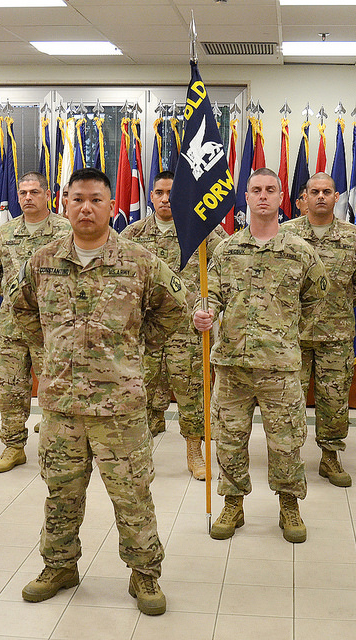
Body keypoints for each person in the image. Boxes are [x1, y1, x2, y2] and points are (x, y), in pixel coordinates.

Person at [10, 168, 188, 616]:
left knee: (132, 494)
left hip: (119, 408)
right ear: (65, 204)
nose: (85, 208)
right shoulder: (43, 260)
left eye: (95, 200)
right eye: (77, 200)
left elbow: (175, 308)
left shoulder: (139, 260)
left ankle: (144, 573)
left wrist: (134, 348)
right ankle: (59, 565)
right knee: (61, 493)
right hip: (62, 406)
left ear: (112, 206)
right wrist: (52, 351)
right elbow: (22, 310)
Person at [193, 167, 328, 544]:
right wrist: (202, 314)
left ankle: (289, 504)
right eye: (256, 190)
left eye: (271, 189)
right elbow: (211, 295)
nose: (263, 196)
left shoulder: (300, 252)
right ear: (246, 198)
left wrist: (286, 333)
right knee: (230, 438)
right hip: (232, 366)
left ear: (281, 197)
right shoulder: (226, 249)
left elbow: (317, 297)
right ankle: (232, 503)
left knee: (285, 441)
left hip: (280, 369)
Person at [121, 170, 226, 479]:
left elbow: (228, 263)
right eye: (159, 193)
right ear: (151, 196)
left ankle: (194, 452)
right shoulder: (133, 234)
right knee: (138, 391)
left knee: (192, 392)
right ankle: (136, 453)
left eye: (171, 192)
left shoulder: (202, 230)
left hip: (187, 329)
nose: (165, 199)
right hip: (145, 331)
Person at [282, 172, 356, 486]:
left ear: (337, 197)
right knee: (289, 397)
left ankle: (330, 456)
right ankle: (288, 453)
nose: (321, 196)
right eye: (314, 191)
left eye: (327, 191)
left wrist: (338, 303)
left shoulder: (354, 237)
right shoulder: (286, 235)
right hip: (292, 334)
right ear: (304, 197)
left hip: (335, 335)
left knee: (334, 398)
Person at [0, 171, 70, 473]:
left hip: (52, 330)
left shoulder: (65, 232)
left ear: (47, 195)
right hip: (12, 328)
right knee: (11, 389)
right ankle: (13, 446)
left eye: (34, 192)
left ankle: (59, 446)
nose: (28, 197)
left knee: (56, 388)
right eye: (23, 193)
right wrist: (12, 294)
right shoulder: (4, 234)